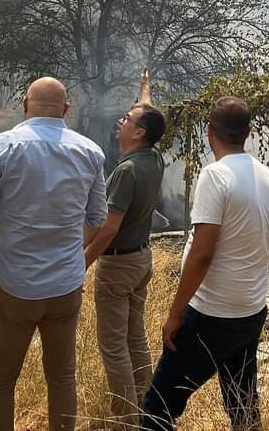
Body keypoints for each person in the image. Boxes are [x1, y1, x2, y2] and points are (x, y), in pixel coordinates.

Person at [0, 77, 107, 431]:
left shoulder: (3, 147)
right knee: (64, 377)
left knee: (2, 381)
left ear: (25, 104)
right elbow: (97, 217)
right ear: (66, 109)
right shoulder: (90, 152)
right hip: (65, 288)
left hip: (15, 285)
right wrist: (71, 255)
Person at [141, 97, 269, 431]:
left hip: (212, 316)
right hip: (250, 311)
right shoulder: (266, 176)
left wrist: (175, 314)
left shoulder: (215, 177)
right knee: (242, 403)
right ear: (248, 132)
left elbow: (202, 252)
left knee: (157, 407)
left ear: (208, 132)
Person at [84, 69, 166, 425]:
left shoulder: (126, 172)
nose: (121, 120)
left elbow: (107, 228)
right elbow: (146, 109)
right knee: (136, 339)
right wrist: (144, 87)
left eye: (127, 119)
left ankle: (127, 420)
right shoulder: (153, 158)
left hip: (117, 267)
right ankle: (146, 411)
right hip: (141, 260)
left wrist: (80, 264)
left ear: (139, 133)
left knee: (114, 347)